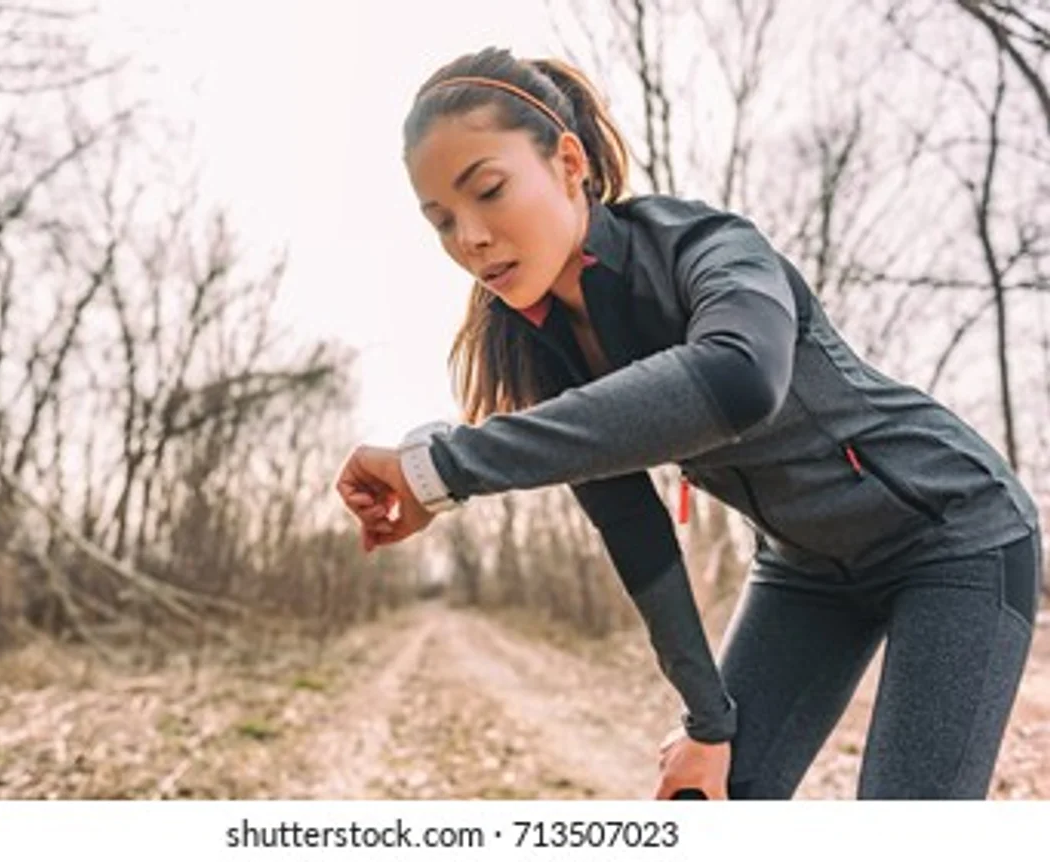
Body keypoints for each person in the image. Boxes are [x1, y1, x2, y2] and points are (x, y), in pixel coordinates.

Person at [333, 46, 1043, 800]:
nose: (468, 239)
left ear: (568, 162)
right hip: (805, 570)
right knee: (706, 807)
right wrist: (708, 723)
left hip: (953, 533)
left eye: (490, 191)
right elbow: (634, 531)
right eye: (442, 221)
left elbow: (739, 382)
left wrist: (443, 467)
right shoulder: (547, 349)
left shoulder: (706, 247)